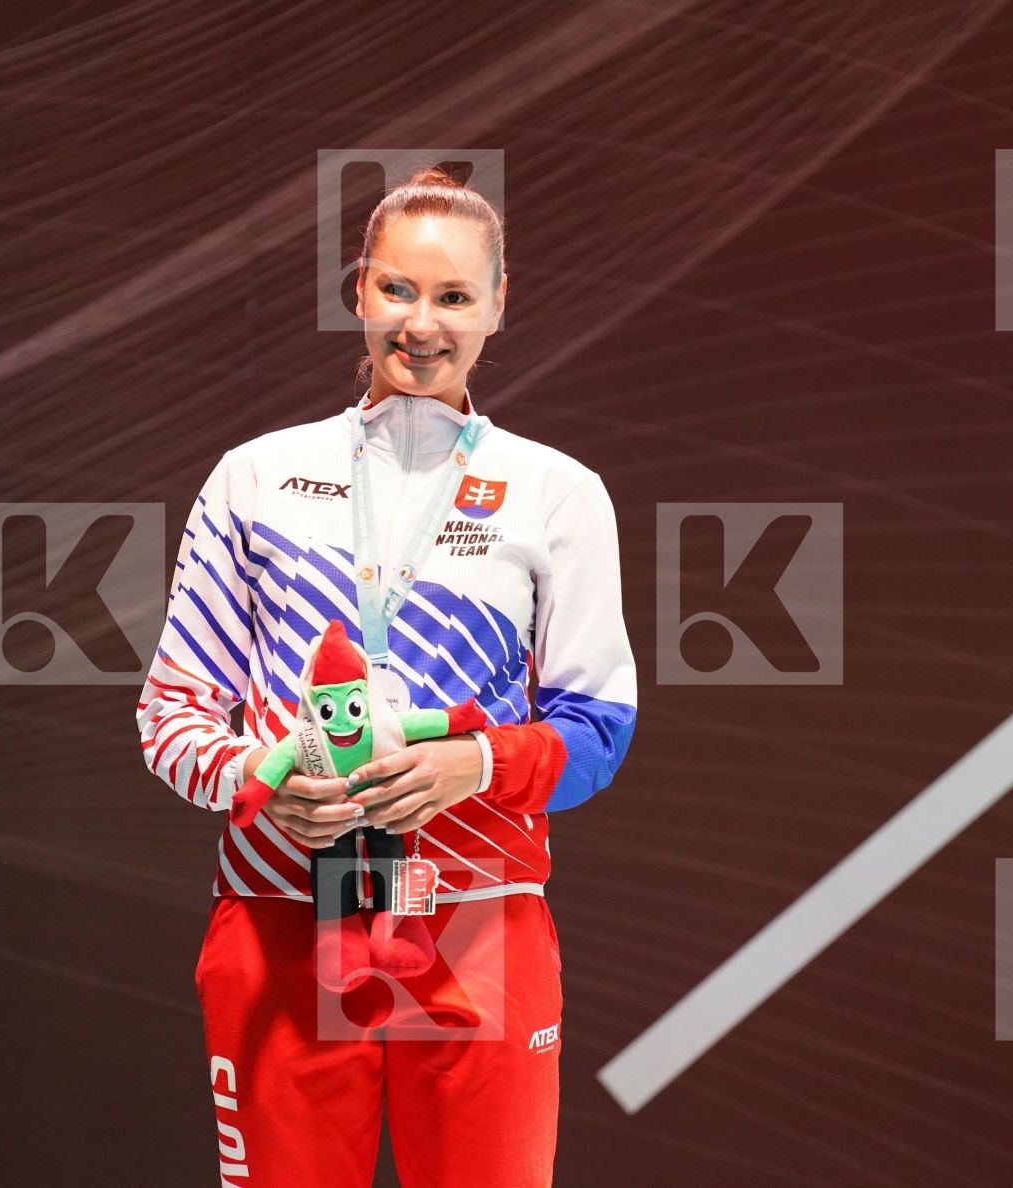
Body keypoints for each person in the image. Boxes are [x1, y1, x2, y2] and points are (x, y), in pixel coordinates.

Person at [135, 163, 638, 1188]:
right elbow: (173, 717)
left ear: (499, 305)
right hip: (285, 915)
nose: (424, 323)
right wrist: (265, 789)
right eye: (399, 290)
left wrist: (472, 764)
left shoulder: (557, 494)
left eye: (455, 296)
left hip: (475, 918)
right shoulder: (256, 479)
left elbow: (598, 733)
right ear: (357, 291)